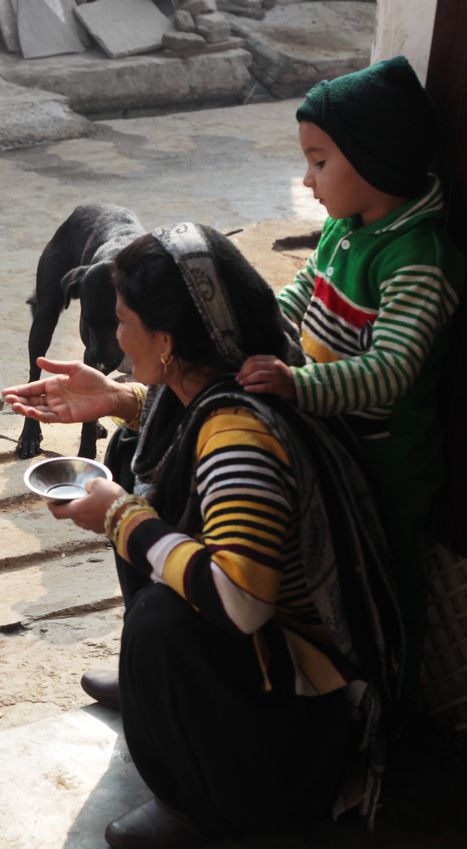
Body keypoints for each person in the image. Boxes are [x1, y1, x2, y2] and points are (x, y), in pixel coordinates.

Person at [3, 224, 401, 848]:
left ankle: (205, 804)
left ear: (166, 342)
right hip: (272, 668)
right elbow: (172, 421)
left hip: (302, 724)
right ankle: (153, 692)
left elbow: (242, 603)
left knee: (161, 619)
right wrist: (116, 399)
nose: (115, 338)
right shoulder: (221, 379)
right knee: (131, 454)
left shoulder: (239, 436)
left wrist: (120, 518)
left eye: (124, 321)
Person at [235, 56, 465, 696]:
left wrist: (297, 384)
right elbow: (303, 293)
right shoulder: (344, 228)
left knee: (386, 580)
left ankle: (391, 696)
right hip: (335, 438)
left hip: (387, 466)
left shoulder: (418, 260)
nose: (307, 180)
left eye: (319, 161)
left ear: (373, 160)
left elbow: (391, 370)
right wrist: (257, 326)